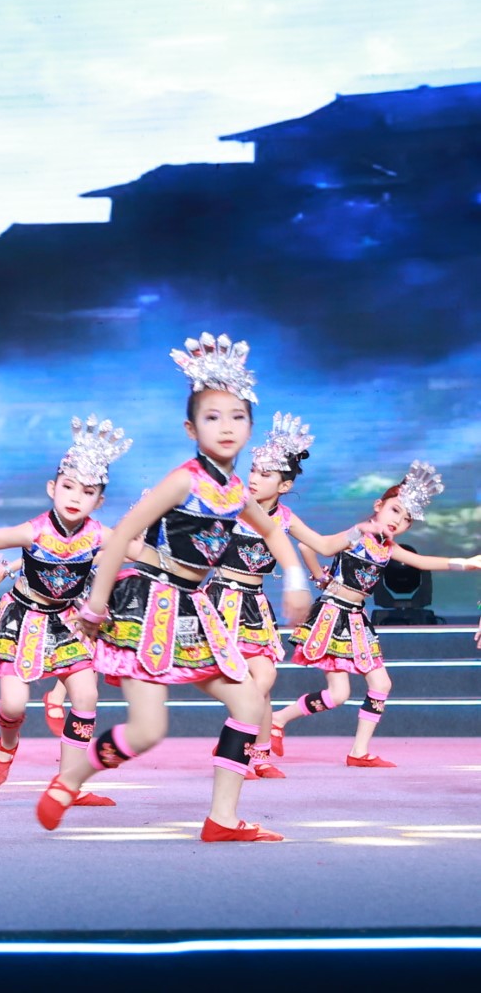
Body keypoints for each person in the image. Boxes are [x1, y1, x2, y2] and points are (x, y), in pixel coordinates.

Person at [46, 333, 311, 843]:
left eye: (237, 416)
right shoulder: (184, 480)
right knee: (148, 731)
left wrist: (296, 579)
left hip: (194, 608)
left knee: (249, 705)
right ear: (191, 428)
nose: (226, 426)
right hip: (146, 604)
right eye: (212, 417)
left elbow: (276, 533)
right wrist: (96, 607)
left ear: (249, 427)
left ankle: (222, 819)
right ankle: (71, 779)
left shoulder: (235, 491)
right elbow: (121, 536)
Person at [0, 416, 132, 804]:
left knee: (86, 697)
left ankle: (69, 783)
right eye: (68, 486)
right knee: (13, 705)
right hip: (22, 619)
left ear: (99, 501)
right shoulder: (33, 530)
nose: (75, 497)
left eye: (87, 491)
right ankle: (8, 743)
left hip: (69, 621)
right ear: (52, 488)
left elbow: (138, 551)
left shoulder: (100, 535)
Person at [270, 462, 481, 767]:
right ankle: (278, 719)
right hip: (332, 615)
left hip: (357, 619)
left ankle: (358, 751)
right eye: (395, 510)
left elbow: (424, 562)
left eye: (406, 519)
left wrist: (468, 562)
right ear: (378, 506)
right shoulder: (358, 535)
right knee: (338, 694)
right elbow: (307, 546)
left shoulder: (389, 548)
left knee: (380, 685)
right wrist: (320, 578)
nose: (399, 520)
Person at [207, 413, 345, 779]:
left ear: (284, 485)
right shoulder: (229, 503)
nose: (254, 478)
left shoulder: (285, 518)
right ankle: (244, 748)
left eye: (265, 474)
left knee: (264, 679)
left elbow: (324, 545)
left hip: (254, 605)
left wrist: (363, 530)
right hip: (219, 600)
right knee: (256, 684)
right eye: (253, 470)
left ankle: (256, 752)